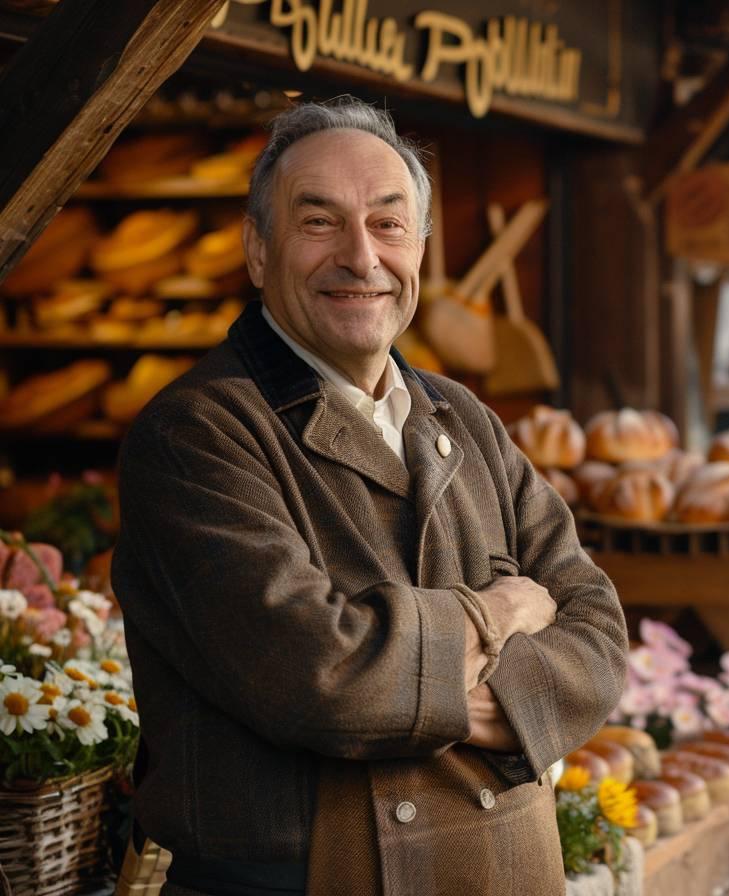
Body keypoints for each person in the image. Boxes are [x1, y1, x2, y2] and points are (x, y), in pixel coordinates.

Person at [111, 98, 628, 896]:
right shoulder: (196, 433)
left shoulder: (464, 416)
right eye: (320, 222)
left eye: (389, 225)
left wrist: (424, 689)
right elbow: (323, 679)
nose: (362, 257)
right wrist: (502, 615)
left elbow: (597, 629)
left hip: (508, 869)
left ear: (418, 248)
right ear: (258, 250)